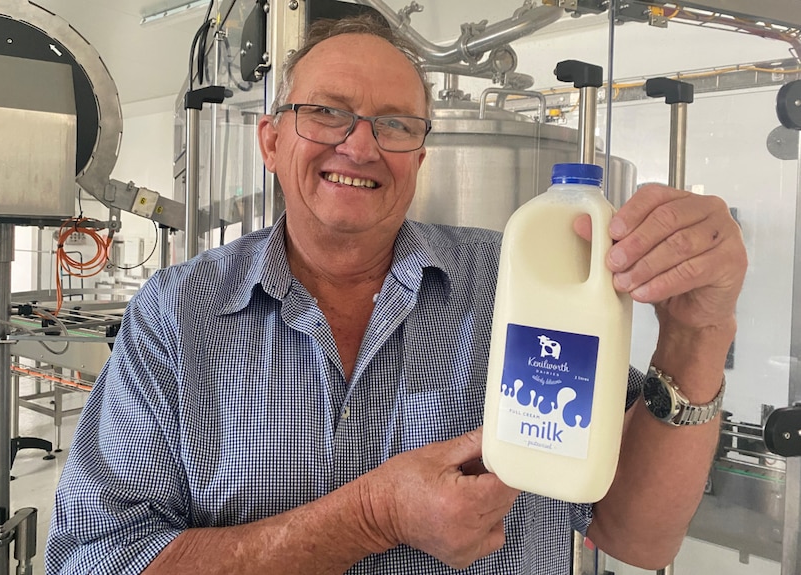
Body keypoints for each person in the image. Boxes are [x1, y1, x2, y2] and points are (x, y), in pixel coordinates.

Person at [45, 14, 747, 575]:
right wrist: (370, 516)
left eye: (395, 124)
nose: (360, 145)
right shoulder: (177, 314)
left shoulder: (515, 283)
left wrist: (698, 332)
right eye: (326, 112)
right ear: (270, 138)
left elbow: (639, 535)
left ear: (419, 152)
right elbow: (96, 558)